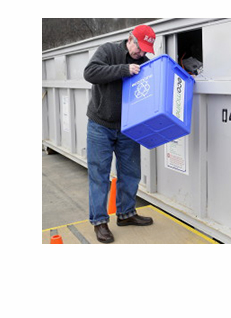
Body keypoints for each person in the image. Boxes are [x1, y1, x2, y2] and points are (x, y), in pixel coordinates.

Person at [83, 25, 156, 243]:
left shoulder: (144, 63)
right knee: (99, 176)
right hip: (100, 124)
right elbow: (90, 73)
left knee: (131, 173)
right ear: (129, 39)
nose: (141, 54)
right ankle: (99, 221)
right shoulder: (108, 51)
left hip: (128, 128)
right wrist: (124, 69)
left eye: (145, 51)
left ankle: (126, 214)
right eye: (139, 48)